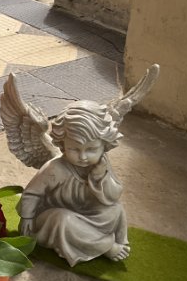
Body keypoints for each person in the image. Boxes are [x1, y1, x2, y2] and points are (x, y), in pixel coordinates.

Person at [17, 101, 129, 266]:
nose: (83, 157)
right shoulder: (55, 168)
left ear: (104, 145)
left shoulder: (101, 164)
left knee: (115, 209)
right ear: (62, 144)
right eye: (74, 149)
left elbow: (113, 196)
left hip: (84, 213)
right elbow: (32, 193)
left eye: (91, 149)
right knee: (64, 220)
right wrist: (27, 217)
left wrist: (99, 176)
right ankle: (106, 246)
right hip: (51, 220)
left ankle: (114, 240)